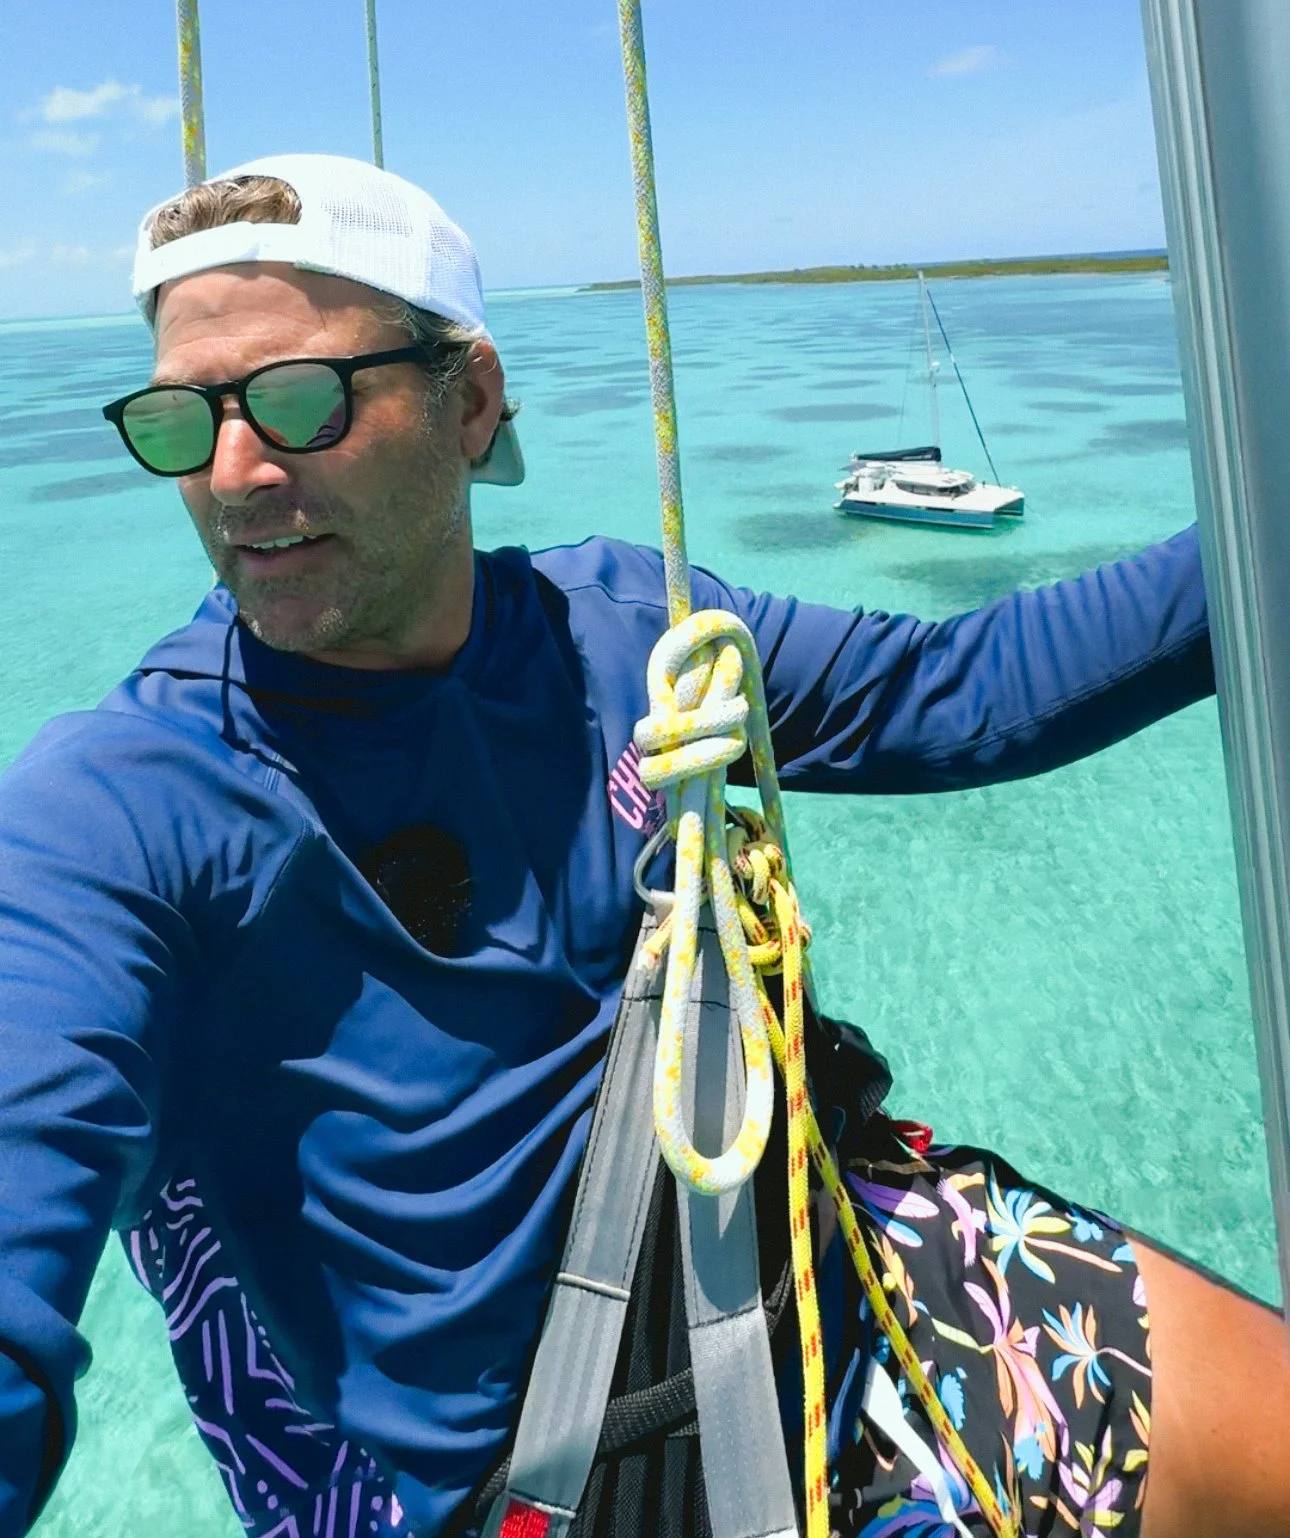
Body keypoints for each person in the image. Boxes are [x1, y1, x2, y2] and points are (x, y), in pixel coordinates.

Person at [0, 151, 1285, 1538]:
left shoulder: (627, 626)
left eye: (301, 399)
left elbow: (963, 695)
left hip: (841, 1276)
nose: (237, 471)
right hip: (571, 1485)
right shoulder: (120, 802)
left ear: (470, 399)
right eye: (180, 421)